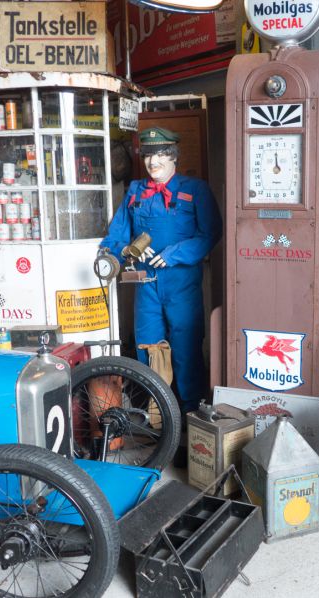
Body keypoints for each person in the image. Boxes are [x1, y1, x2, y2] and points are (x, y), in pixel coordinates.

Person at [99, 126, 222, 418]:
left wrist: (173, 255)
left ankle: (191, 415)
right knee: (147, 345)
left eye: (162, 154)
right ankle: (152, 416)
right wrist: (119, 253)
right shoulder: (135, 191)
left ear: (174, 157)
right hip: (146, 284)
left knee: (186, 346)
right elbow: (116, 235)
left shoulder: (195, 190)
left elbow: (211, 232)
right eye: (149, 155)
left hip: (181, 284)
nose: (154, 162)